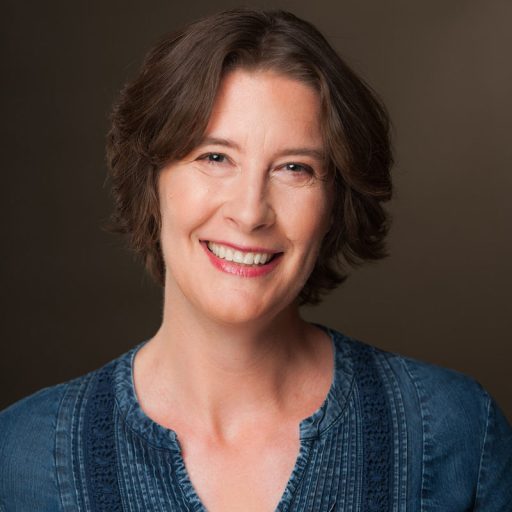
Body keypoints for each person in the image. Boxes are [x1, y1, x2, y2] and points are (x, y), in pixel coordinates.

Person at [0, 8, 511, 512]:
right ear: (151, 182)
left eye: (294, 168)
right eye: (214, 157)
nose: (249, 213)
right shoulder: (22, 456)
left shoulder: (457, 432)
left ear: (335, 203)